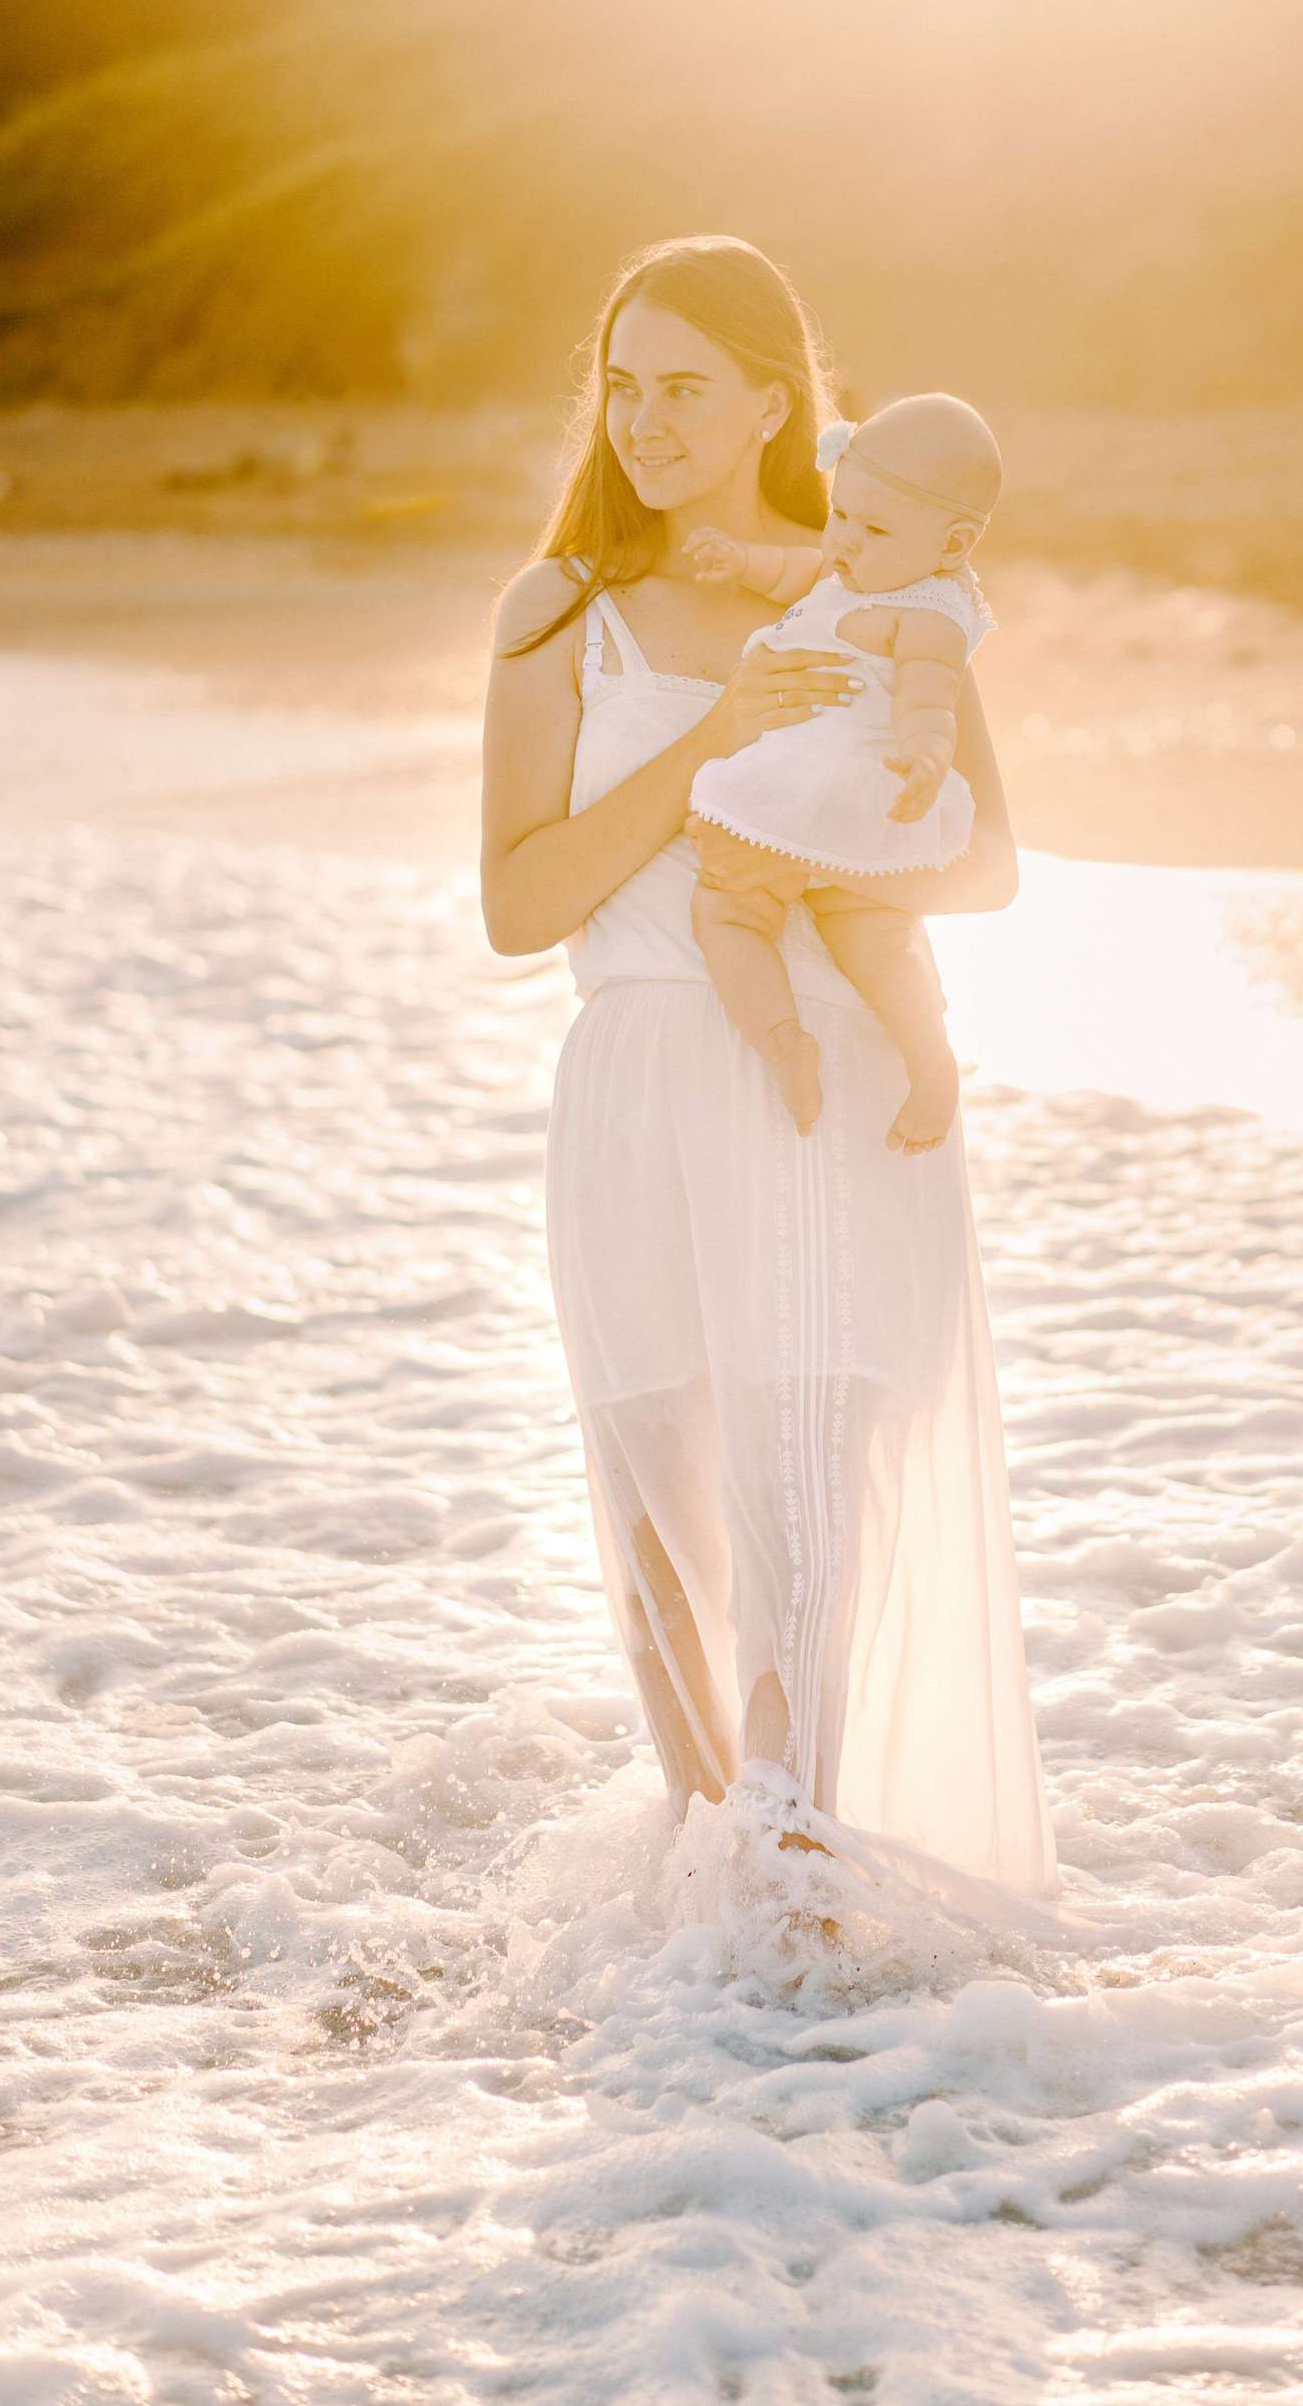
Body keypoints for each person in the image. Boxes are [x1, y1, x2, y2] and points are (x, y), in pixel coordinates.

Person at [479, 232, 1064, 1942]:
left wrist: (829, 865)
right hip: (643, 1071)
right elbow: (522, 903)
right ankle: (702, 1968)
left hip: (823, 1082)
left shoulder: (865, 583)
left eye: (685, 388)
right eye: (622, 385)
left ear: (771, 400)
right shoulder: (559, 608)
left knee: (807, 1508)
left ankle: (798, 1938)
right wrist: (719, 738)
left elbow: (993, 866)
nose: (646, 420)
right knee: (667, 1531)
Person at [681, 392, 1004, 1156]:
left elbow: (933, 699)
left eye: (876, 527)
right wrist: (741, 562)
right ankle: (881, 1057)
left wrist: (925, 758)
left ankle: (814, 1043)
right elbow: (793, 567)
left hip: (846, 782)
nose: (847, 543)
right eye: (843, 516)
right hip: (828, 798)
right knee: (873, 936)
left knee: (728, 909)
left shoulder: (932, 615)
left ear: (954, 544)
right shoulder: (850, 572)